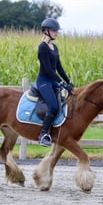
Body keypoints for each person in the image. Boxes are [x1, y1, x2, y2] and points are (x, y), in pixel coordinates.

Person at [36, 18, 74, 147]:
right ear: (46, 31)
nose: (56, 33)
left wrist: (68, 81)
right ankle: (43, 134)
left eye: (57, 31)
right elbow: (47, 70)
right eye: (54, 31)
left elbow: (58, 67)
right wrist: (60, 82)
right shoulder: (42, 47)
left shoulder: (54, 47)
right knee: (53, 106)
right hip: (44, 81)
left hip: (52, 81)